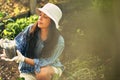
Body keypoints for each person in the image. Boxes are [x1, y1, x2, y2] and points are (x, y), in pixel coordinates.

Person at [0, 3, 64, 80]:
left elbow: (45, 62)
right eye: (40, 15)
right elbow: (19, 44)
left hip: (49, 68)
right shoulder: (31, 30)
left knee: (41, 72)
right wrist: (9, 48)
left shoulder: (59, 41)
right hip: (28, 70)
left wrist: (24, 59)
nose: (40, 18)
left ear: (52, 22)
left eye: (45, 17)